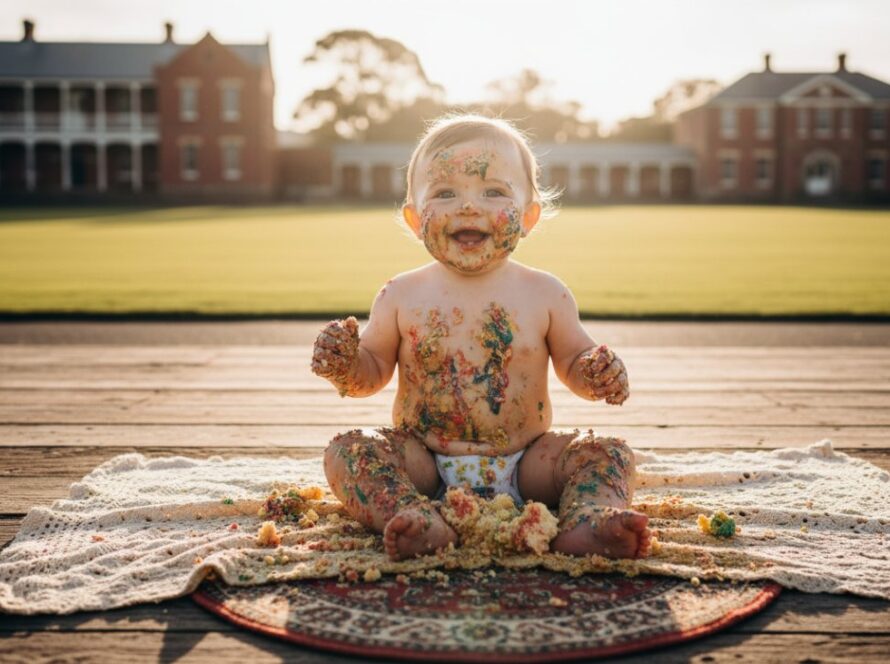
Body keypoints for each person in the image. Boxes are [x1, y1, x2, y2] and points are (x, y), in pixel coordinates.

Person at [312, 114, 651, 562]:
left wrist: (597, 371)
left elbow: (575, 360)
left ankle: (587, 518)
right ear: (415, 219)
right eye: (445, 193)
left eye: (493, 191)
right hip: (424, 464)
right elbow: (370, 372)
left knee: (608, 453)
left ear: (529, 216)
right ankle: (413, 516)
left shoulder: (545, 292)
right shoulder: (400, 294)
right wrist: (344, 365)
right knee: (348, 452)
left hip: (529, 463)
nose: (468, 207)